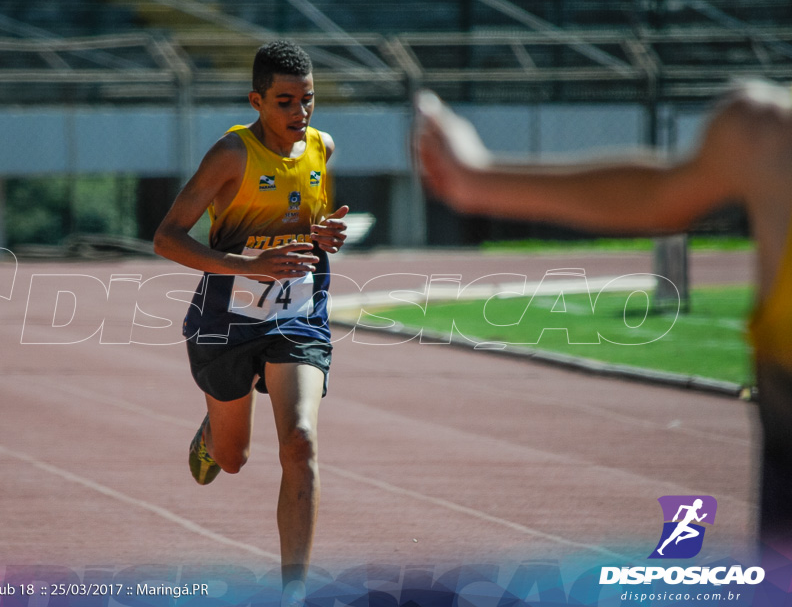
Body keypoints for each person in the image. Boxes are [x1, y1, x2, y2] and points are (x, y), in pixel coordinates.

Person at [412, 80, 792, 558]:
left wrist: (477, 179)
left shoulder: (766, 132)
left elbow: (662, 198)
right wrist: (476, 179)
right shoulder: (766, 134)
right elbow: (659, 197)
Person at [153, 40, 349, 602]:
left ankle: (294, 591)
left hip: (299, 314)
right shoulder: (231, 155)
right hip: (227, 319)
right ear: (257, 101)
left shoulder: (321, 148)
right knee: (234, 460)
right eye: (285, 101)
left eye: (307, 100)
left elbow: (308, 223)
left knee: (301, 442)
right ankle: (214, 431)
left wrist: (326, 236)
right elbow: (167, 238)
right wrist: (247, 265)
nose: (299, 113)